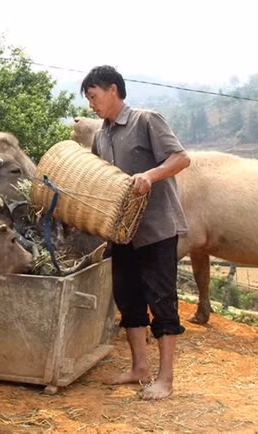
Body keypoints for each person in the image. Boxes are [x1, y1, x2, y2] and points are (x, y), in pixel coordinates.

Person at [80, 65, 190, 400]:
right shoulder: (102, 135)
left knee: (162, 301)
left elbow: (181, 159)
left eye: (94, 97)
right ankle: (139, 368)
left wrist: (150, 176)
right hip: (122, 232)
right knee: (128, 300)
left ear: (113, 90)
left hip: (156, 230)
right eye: (88, 100)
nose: (91, 106)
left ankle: (165, 379)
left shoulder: (146, 120)